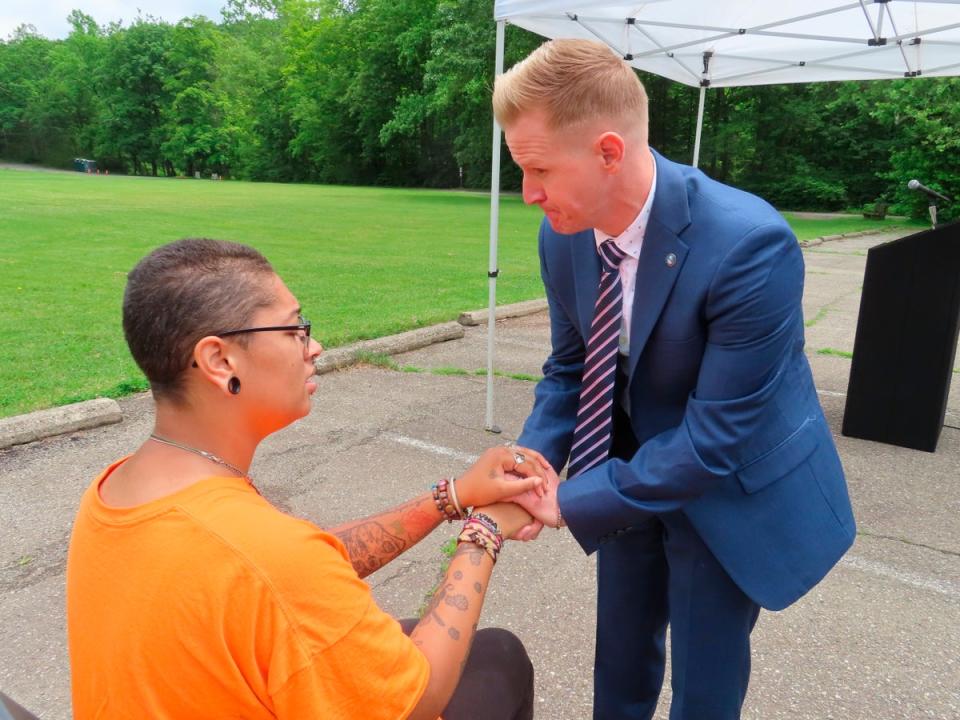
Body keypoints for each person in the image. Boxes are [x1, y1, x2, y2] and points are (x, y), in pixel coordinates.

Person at [494, 39, 856, 720]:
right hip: (627, 469)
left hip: (725, 491)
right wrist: (529, 464)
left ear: (608, 152)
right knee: (621, 659)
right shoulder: (561, 233)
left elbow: (718, 437)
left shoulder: (750, 245)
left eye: (538, 168)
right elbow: (570, 369)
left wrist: (570, 502)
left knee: (705, 686)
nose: (528, 195)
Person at [66, 238, 551, 720]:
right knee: (498, 658)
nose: (313, 345)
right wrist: (484, 529)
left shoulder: (116, 491)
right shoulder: (267, 557)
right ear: (219, 361)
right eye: (295, 328)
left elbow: (295, 570)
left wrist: (454, 496)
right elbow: (419, 700)